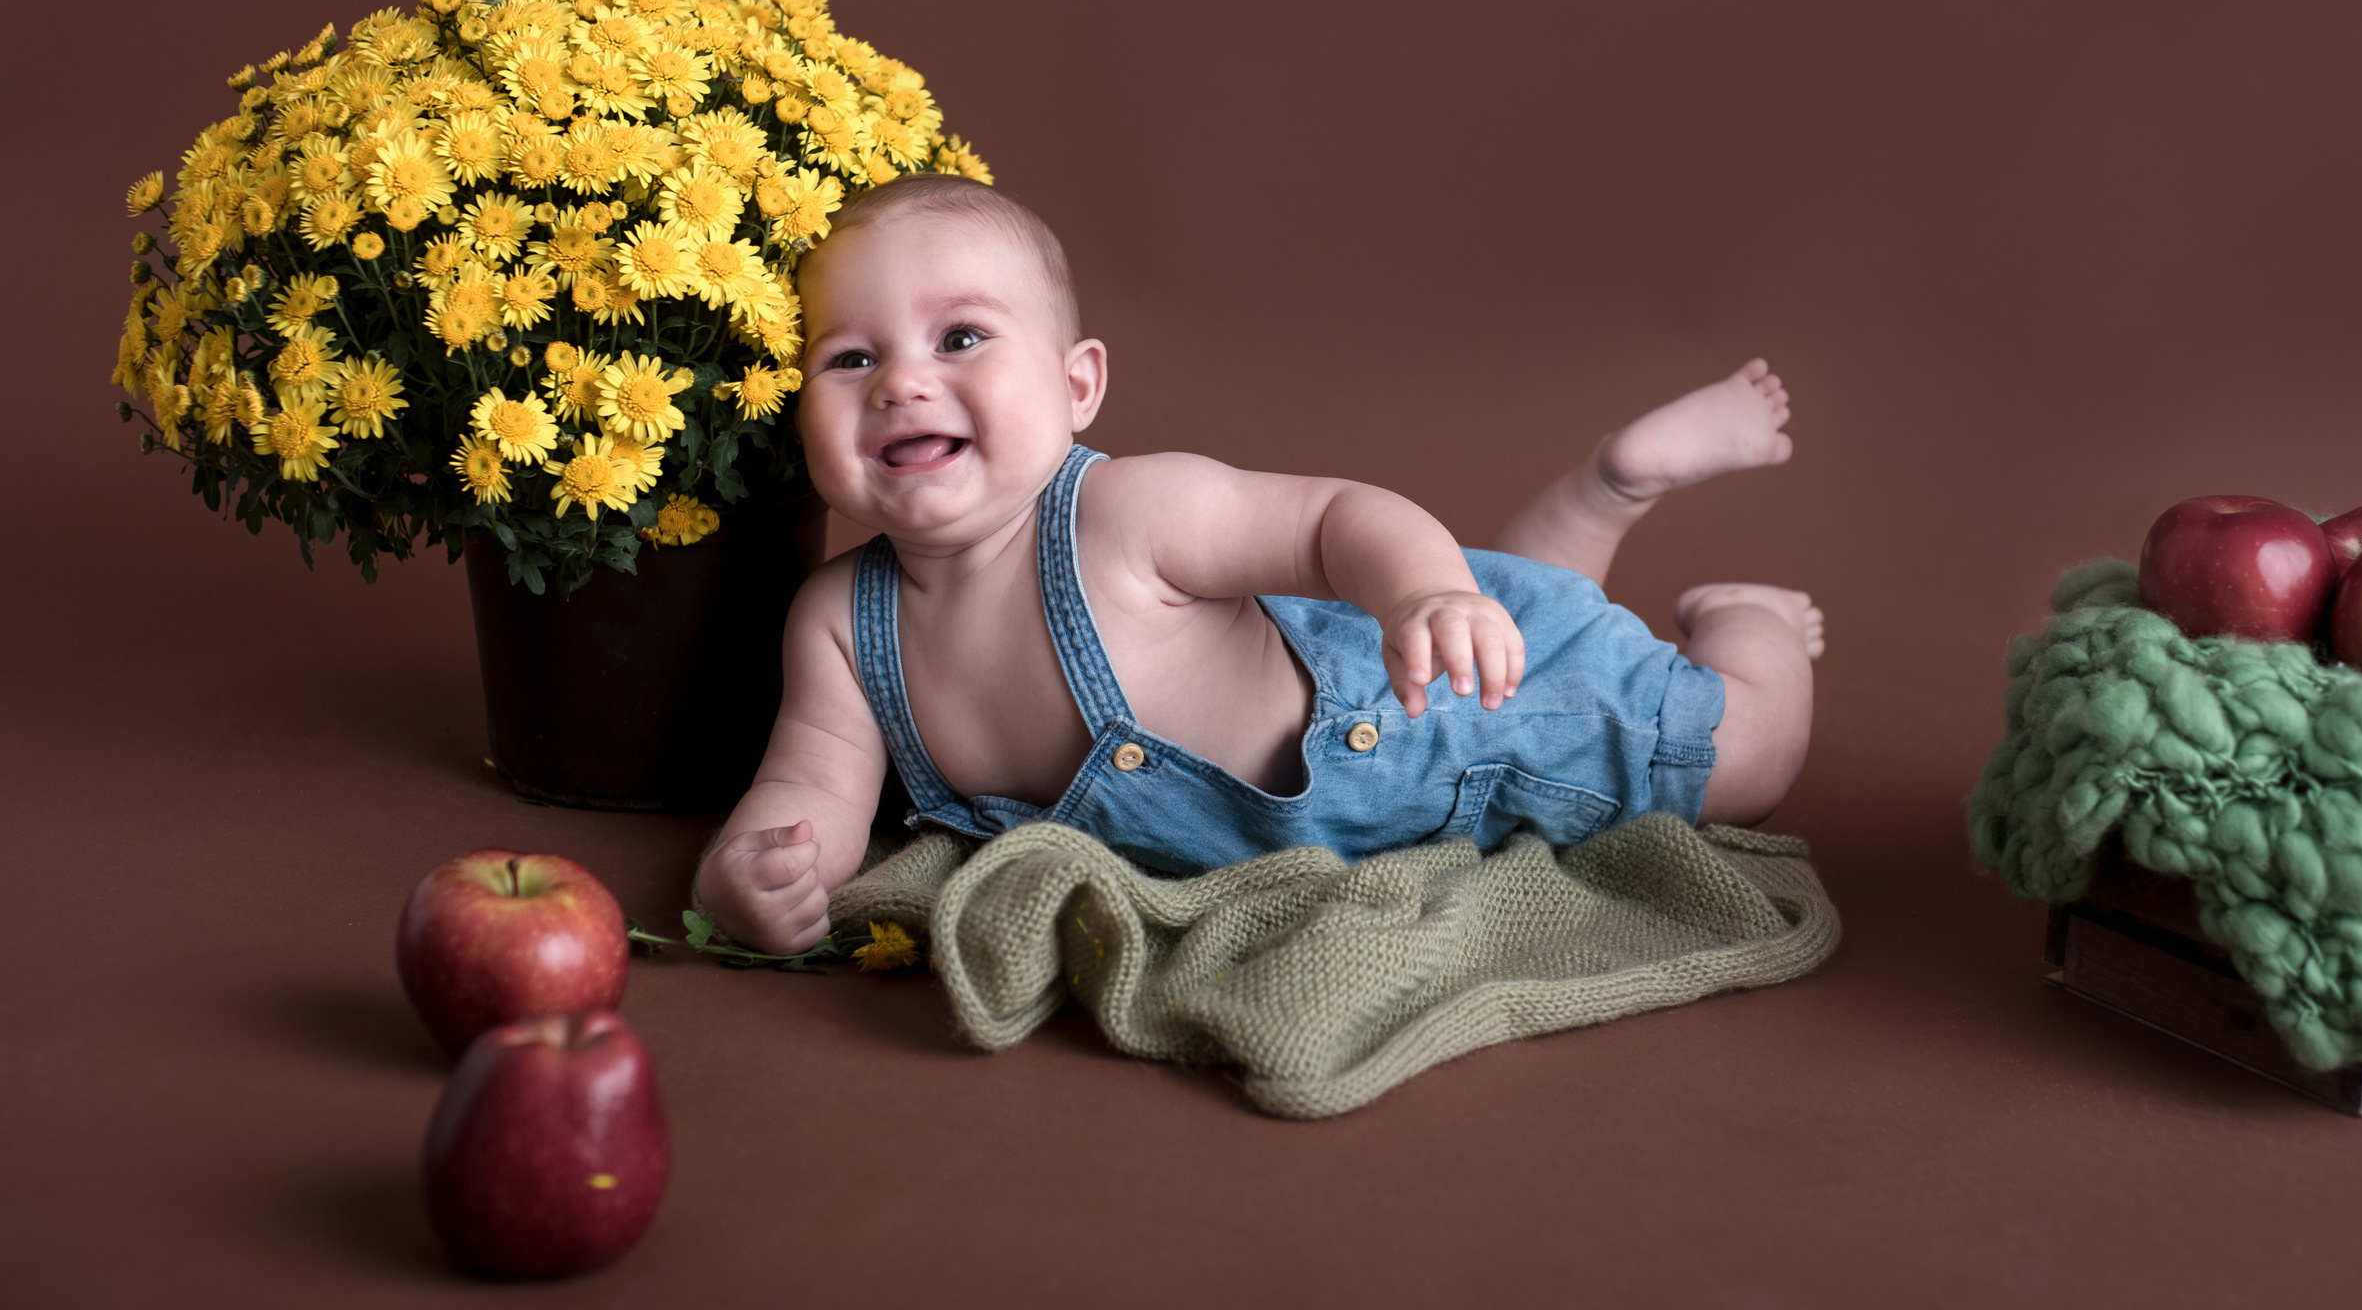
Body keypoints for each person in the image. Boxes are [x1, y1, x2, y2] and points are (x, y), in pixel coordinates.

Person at [695, 176, 1824, 953]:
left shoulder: (1129, 513)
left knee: (1747, 754)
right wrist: (755, 868)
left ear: (1077, 386)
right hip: (1432, 660)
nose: (901, 382)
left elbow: (1338, 518)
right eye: (849, 357)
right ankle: (1599, 498)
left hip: (1436, 736)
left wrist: (1423, 592)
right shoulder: (841, 620)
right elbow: (809, 784)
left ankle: (1743, 612)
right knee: (1490, 622)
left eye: (961, 338)